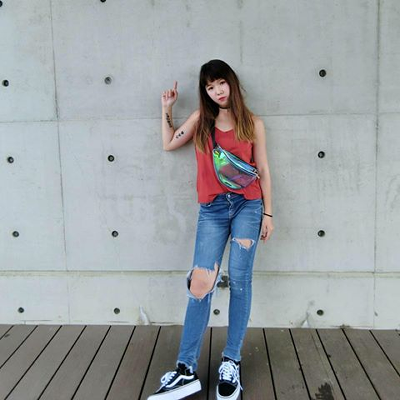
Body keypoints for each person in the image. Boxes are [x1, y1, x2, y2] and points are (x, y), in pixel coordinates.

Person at [148, 59, 274, 400]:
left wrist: (269, 213)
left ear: (231, 83)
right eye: (209, 86)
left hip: (248, 206)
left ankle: (231, 361)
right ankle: (186, 369)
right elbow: (169, 143)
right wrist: (166, 108)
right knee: (201, 284)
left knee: (240, 281)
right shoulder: (201, 120)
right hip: (213, 210)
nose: (217, 91)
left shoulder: (253, 123)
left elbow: (263, 169)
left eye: (221, 83)